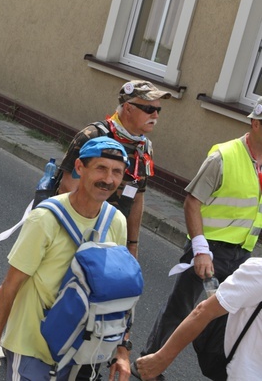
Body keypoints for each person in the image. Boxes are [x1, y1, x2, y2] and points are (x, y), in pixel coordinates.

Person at [0, 137, 131, 380]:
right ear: (79, 167)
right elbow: (9, 287)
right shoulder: (45, 218)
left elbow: (118, 293)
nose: (108, 180)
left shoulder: (116, 221)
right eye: (101, 168)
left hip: (82, 351)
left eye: (117, 172)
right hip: (33, 348)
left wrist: (121, 350)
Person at [137, 98, 262, 377]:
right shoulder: (224, 156)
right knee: (182, 308)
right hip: (210, 248)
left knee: (228, 317)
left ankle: (223, 369)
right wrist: (200, 249)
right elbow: (192, 201)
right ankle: (150, 363)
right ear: (256, 123)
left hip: (242, 253)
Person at [58, 80, 170, 258]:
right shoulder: (93, 136)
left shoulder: (144, 147)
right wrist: (76, 238)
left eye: (159, 110)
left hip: (112, 239)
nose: (155, 115)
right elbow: (67, 187)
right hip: (76, 233)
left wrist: (132, 245)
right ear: (128, 108)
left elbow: (137, 197)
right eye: (149, 109)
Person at [136, 258, 262, 381]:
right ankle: (150, 355)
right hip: (244, 372)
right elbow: (204, 311)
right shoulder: (258, 272)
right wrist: (161, 359)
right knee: (179, 308)